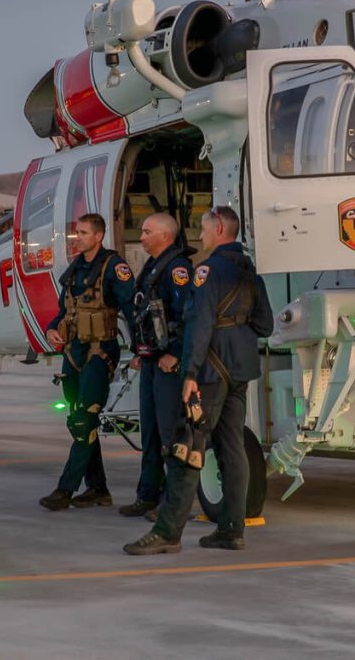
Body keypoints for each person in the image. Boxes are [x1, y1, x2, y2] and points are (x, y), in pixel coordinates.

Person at [124, 205, 273, 555]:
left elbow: (200, 325)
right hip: (241, 370)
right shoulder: (251, 272)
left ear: (219, 228)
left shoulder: (207, 272)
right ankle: (231, 530)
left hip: (210, 371)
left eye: (205, 229)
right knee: (231, 447)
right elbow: (265, 325)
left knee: (186, 446)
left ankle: (167, 532)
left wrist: (189, 373)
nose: (201, 236)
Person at [40, 213, 136, 511]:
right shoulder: (74, 270)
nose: (76, 237)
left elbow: (133, 309)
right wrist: (52, 329)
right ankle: (97, 489)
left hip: (99, 353)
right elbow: (62, 310)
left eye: (82, 233)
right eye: (76, 232)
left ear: (98, 236)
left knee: (84, 420)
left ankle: (64, 491)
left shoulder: (113, 267)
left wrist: (141, 350)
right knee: (80, 422)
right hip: (73, 354)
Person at [119, 214, 193, 518]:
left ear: (165, 235)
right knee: (149, 431)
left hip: (168, 366)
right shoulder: (151, 267)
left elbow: (187, 315)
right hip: (151, 360)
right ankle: (147, 494)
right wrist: (141, 351)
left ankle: (172, 502)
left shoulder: (178, 269)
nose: (143, 236)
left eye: (148, 232)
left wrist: (174, 353)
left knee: (169, 433)